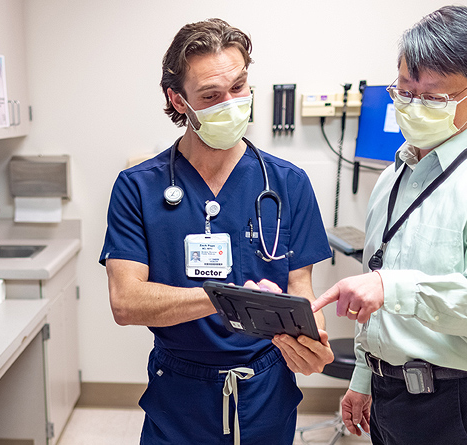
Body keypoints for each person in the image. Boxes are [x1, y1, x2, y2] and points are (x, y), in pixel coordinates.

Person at [312, 6, 467, 445]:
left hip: (459, 401)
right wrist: (365, 378)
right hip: (390, 393)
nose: (414, 107)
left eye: (435, 97)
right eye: (405, 91)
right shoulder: (394, 175)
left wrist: (393, 288)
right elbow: (377, 296)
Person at [100, 18, 333, 445]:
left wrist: (310, 337)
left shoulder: (287, 183)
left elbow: (301, 287)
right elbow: (126, 302)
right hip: (179, 391)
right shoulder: (137, 187)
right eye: (210, 95)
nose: (231, 103)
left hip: (266, 388)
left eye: (240, 87)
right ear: (178, 99)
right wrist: (228, 300)